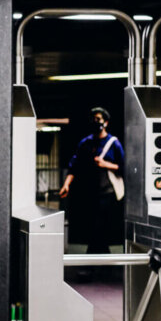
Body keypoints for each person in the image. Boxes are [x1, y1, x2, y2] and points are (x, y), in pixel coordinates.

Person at [59, 106, 125, 257]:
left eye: (99, 119)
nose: (96, 122)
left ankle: (93, 260)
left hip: (108, 192)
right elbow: (74, 165)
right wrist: (66, 184)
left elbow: (124, 166)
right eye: (93, 119)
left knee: (101, 225)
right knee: (93, 226)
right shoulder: (85, 143)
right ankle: (101, 259)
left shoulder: (113, 143)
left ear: (106, 122)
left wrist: (106, 164)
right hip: (88, 191)